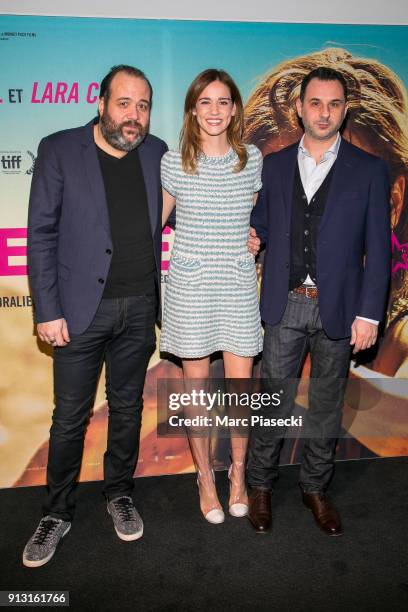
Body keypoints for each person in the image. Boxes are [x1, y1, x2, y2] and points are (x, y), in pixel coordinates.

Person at [23, 65, 167, 567]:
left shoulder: (157, 153)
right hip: (79, 311)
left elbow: (191, 207)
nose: (134, 116)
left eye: (143, 106)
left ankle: (119, 494)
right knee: (69, 420)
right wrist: (48, 308)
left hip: (140, 307)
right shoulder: (60, 148)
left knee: (127, 409)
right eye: (124, 103)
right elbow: (40, 233)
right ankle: (56, 513)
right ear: (101, 102)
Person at [247, 67, 390, 536]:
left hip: (341, 308)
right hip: (283, 303)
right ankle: (261, 487)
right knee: (274, 400)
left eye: (333, 104)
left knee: (327, 404)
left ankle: (314, 488)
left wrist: (369, 313)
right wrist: (254, 236)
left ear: (344, 110)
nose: (323, 112)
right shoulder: (273, 164)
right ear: (300, 108)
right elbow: (264, 224)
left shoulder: (369, 171)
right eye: (315, 103)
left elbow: (379, 247)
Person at [160, 69, 263, 524]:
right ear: (192, 109)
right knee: (197, 391)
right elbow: (154, 223)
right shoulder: (172, 162)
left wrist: (253, 239)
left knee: (241, 393)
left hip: (238, 284)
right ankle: (205, 477)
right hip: (190, 287)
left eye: (223, 101)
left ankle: (238, 474)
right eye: (205, 102)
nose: (215, 110)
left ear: (235, 108)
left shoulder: (252, 159)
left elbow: (254, 218)